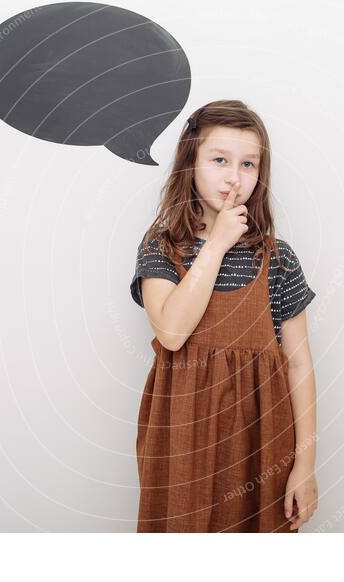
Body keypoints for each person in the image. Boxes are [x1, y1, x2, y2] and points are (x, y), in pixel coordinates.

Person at [130, 100, 318, 532]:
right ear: (190, 165)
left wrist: (305, 464)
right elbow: (173, 333)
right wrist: (215, 244)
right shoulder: (162, 248)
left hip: (261, 442)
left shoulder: (278, 259)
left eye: (248, 164)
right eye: (219, 160)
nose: (234, 176)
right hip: (179, 439)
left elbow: (299, 363)